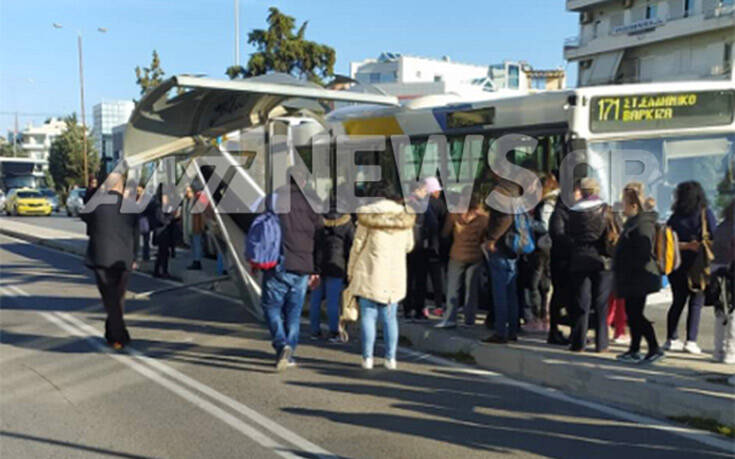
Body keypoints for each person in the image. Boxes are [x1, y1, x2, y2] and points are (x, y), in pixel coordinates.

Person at [347, 183, 415, 370]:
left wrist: (351, 270)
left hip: (370, 271)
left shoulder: (367, 215)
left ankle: (367, 358)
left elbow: (357, 245)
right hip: (394, 274)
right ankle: (390, 358)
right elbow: (409, 246)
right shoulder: (404, 216)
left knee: (368, 316)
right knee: (390, 318)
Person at [260, 169, 322, 371]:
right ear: (304, 182)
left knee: (271, 307)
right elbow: (320, 233)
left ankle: (281, 343)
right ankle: (290, 353)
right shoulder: (312, 201)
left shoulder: (274, 199)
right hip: (304, 265)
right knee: (293, 313)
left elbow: (261, 226)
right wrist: (316, 268)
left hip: (278, 262)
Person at [81, 172, 138, 349]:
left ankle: (116, 337)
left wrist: (95, 192)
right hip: (123, 258)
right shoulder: (130, 206)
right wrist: (134, 257)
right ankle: (117, 333)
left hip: (101, 256)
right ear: (121, 187)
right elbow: (136, 235)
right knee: (118, 298)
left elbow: (85, 216)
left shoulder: (96, 203)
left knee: (109, 299)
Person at [664, 181, 717, 354]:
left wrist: (684, 245)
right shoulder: (704, 213)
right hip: (697, 264)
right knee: (696, 301)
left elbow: (667, 241)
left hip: (677, 264)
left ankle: (671, 338)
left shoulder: (675, 216)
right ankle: (691, 340)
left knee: (677, 301)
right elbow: (714, 235)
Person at [614, 184, 664, 363]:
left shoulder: (642, 223)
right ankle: (634, 348)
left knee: (635, 314)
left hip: (639, 276)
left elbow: (643, 251)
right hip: (633, 276)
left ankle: (654, 346)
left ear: (634, 205)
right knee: (632, 312)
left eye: (624, 203)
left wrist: (626, 260)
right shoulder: (634, 222)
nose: (622, 207)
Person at [567, 177, 616, 353]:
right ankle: (601, 343)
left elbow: (569, 234)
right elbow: (614, 232)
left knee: (582, 302)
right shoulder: (606, 209)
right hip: (602, 260)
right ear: (596, 190)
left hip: (580, 258)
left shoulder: (573, 211)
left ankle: (578, 342)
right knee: (601, 302)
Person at [436, 192, 489, 328]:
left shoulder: (454, 214)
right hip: (476, 256)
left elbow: (445, 233)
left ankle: (450, 318)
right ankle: (469, 318)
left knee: (453, 287)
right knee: (471, 289)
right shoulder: (484, 218)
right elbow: (486, 236)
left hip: (457, 255)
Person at [481, 178, 523, 344]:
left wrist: (491, 239)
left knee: (499, 292)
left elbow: (503, 220)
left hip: (500, 248)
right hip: (512, 248)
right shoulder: (518, 200)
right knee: (511, 291)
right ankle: (512, 329)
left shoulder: (503, 199)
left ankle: (500, 331)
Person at [310, 204, 355, 342]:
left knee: (315, 300)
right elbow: (352, 246)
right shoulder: (347, 223)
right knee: (333, 301)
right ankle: (334, 331)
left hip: (318, 263)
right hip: (337, 264)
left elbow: (314, 243)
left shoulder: (318, 220)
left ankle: (314, 330)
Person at [547, 181, 582, 345]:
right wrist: (574, 241)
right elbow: (557, 234)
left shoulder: (572, 211)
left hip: (569, 259)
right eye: (577, 193)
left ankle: (574, 330)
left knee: (571, 296)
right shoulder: (559, 213)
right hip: (561, 260)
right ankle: (554, 330)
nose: (579, 195)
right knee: (560, 295)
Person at [404, 177, 445, 320]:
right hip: (422, 246)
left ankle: (407, 308)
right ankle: (419, 308)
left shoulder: (405, 204)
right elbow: (433, 225)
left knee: (408, 278)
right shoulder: (423, 205)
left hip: (407, 247)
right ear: (417, 190)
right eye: (423, 189)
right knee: (420, 279)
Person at [712, 200, 734, 364]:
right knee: (732, 314)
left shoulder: (722, 227)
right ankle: (730, 350)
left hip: (717, 270)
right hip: (730, 270)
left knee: (720, 312)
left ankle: (718, 349)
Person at [152, 185, 176, 279]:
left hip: (166, 233)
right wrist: (171, 217)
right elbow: (161, 220)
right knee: (164, 253)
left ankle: (157, 270)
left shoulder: (166, 206)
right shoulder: (158, 206)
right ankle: (163, 271)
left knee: (162, 253)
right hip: (161, 233)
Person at [185, 185, 206, 270]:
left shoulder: (196, 200)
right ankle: (194, 260)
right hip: (189, 225)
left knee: (197, 244)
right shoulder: (187, 201)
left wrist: (201, 226)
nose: (187, 193)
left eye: (188, 191)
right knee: (193, 244)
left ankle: (197, 261)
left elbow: (200, 214)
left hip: (195, 226)